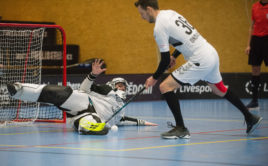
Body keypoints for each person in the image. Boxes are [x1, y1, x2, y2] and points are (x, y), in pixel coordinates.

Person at [134, 0, 262, 139]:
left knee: (165, 86)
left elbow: (164, 60)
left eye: (142, 13)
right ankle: (250, 117)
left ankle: (181, 128)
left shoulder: (159, 27)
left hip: (200, 59)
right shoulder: (170, 13)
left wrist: (154, 78)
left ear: (149, 9)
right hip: (210, 52)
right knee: (219, 89)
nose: (142, 17)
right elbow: (185, 39)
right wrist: (174, 55)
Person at [7, 59, 157, 135]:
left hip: (89, 116)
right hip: (83, 102)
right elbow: (85, 89)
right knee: (62, 93)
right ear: (112, 84)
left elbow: (128, 121)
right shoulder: (106, 90)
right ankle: (19, 90)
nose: (121, 87)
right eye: (118, 84)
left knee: (92, 123)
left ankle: (87, 127)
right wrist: (93, 75)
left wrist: (145, 123)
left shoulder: (121, 112)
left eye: (123, 86)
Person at [245, 0, 268, 110]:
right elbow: (252, 26)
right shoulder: (254, 7)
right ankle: (255, 101)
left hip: (267, 40)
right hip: (256, 41)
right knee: (255, 69)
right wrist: (248, 45)